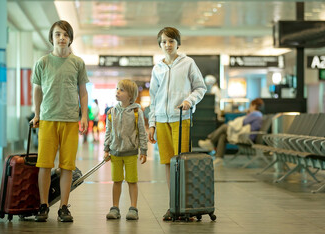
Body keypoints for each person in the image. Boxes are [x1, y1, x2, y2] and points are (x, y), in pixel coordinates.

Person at [30, 20, 89, 222]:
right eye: (57, 34)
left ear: (70, 38)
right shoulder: (42, 62)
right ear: (52, 38)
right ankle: (43, 205)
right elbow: (37, 90)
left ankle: (64, 207)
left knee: (67, 166)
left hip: (70, 121)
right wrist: (37, 114)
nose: (61, 38)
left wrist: (83, 117)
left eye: (65, 34)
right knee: (45, 165)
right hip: (47, 119)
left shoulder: (78, 63)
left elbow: (82, 92)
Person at [147, 27, 206, 221]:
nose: (168, 44)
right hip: (162, 121)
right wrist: (152, 124)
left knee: (182, 162)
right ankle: (174, 204)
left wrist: (190, 100)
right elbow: (154, 99)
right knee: (167, 163)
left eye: (171, 41)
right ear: (160, 45)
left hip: (182, 119)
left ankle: (186, 205)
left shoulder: (188, 63)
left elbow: (200, 87)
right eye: (164, 41)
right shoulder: (157, 68)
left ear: (177, 43)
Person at [104, 79, 148, 220]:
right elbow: (108, 131)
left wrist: (144, 150)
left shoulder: (136, 111)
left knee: (132, 181)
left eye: (121, 90)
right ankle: (115, 207)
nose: (117, 91)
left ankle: (133, 208)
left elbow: (142, 131)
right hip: (115, 152)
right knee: (116, 181)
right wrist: (106, 148)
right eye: (117, 88)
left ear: (130, 95)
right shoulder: (112, 112)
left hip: (130, 152)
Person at [198, 98, 264, 165]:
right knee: (223, 136)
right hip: (246, 135)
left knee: (225, 127)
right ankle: (219, 158)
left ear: (254, 106)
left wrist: (246, 115)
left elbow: (243, 122)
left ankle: (210, 140)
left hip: (247, 137)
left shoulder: (255, 114)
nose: (249, 107)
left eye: (250, 106)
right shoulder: (258, 114)